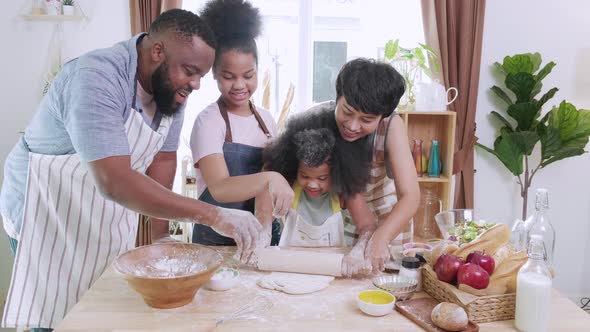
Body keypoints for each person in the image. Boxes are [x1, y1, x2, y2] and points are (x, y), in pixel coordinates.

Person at [0, 9, 263, 330]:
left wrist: (161, 236)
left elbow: (163, 160)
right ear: (157, 52)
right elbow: (114, 180)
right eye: (190, 71)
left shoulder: (172, 93)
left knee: (102, 307)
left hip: (103, 211)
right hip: (46, 211)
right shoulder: (94, 79)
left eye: (200, 76)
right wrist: (214, 214)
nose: (195, 84)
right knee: (56, 311)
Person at [283, 58, 421, 275]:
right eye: (347, 112)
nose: (352, 126)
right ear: (337, 98)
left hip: (387, 220)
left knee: (383, 284)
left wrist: (380, 238)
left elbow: (411, 196)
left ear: (382, 117)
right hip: (340, 218)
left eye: (366, 119)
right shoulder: (318, 119)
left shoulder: (392, 127)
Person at [190, 0, 293, 246]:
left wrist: (265, 232)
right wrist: (271, 178)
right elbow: (221, 188)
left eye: (248, 75)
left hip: (259, 235)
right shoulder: (209, 121)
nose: (239, 85)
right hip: (214, 239)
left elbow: (265, 192)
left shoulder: (266, 121)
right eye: (228, 76)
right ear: (214, 73)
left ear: (258, 69)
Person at [260, 126, 372, 248]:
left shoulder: (342, 194)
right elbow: (264, 213)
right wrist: (263, 233)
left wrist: (361, 248)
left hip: (331, 265)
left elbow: (367, 225)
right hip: (290, 264)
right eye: (304, 176)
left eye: (322, 178)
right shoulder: (290, 186)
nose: (312, 185)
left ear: (336, 174)